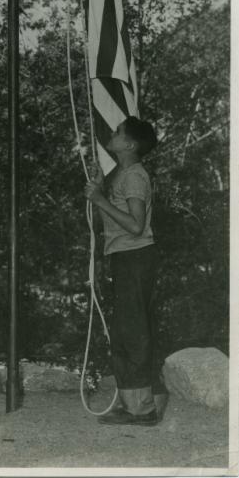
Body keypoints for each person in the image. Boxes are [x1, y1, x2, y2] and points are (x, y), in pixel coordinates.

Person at [85, 116, 167, 426]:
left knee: (132, 331)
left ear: (129, 145)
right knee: (125, 330)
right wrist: (99, 190)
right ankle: (133, 405)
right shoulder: (124, 174)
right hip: (125, 257)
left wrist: (99, 199)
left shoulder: (134, 176)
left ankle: (143, 409)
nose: (113, 133)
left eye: (118, 132)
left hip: (135, 257)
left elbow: (135, 226)